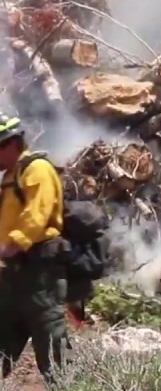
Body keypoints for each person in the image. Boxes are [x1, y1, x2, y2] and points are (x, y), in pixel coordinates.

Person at [0, 114, 69, 384]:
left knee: (51, 340)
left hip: (40, 274)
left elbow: (36, 214)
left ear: (12, 144)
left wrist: (13, 245)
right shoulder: (11, 176)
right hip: (13, 275)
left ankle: (67, 385)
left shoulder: (37, 169)